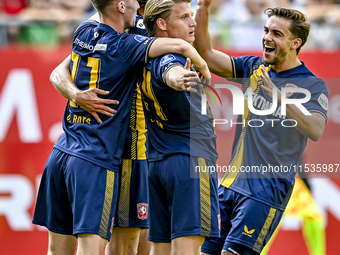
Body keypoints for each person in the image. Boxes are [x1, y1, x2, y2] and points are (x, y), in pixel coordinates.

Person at [32, 0, 211, 254]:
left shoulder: (103, 28)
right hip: (102, 149)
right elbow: (59, 72)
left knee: (129, 244)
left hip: (134, 150)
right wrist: (76, 94)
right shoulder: (126, 31)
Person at [193, 2, 329, 255]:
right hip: (229, 187)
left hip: (264, 194)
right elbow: (206, 53)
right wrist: (203, 6)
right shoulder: (254, 68)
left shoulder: (313, 84)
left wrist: (280, 98)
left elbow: (316, 129)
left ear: (295, 43)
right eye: (266, 31)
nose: (267, 37)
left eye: (277, 34)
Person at [141, 0, 220, 254]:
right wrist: (179, 78)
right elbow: (171, 71)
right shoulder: (172, 58)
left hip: (157, 164)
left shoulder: (140, 53)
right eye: (184, 17)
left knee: (160, 249)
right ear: (162, 24)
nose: (192, 22)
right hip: (190, 163)